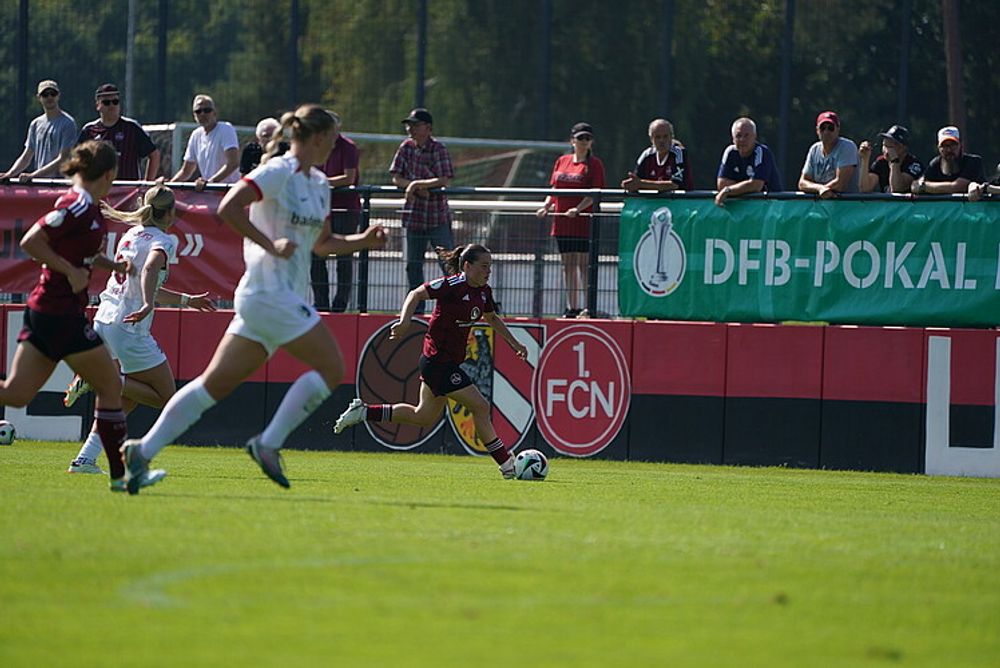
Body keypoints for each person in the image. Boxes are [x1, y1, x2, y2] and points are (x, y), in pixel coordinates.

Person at [119, 105, 387, 494]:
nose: (336, 145)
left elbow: (324, 244)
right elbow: (229, 206)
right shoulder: (277, 171)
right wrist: (269, 245)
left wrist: (364, 240)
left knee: (212, 386)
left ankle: (142, 451)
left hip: (275, 299)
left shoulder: (319, 184)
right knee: (332, 368)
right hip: (268, 293)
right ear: (316, 138)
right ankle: (268, 443)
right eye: (332, 138)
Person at [0, 140, 132, 490]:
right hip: (60, 313)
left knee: (15, 394)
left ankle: (118, 473)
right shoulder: (76, 205)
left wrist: (111, 264)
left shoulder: (87, 207)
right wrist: (68, 272)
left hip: (49, 311)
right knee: (109, 385)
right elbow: (31, 241)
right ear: (107, 174)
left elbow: (78, 254)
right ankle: (120, 474)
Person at [333, 243, 529, 479]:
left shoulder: (484, 291)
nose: (489, 271)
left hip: (446, 363)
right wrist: (405, 321)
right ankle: (507, 465)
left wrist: (515, 343)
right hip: (438, 361)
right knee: (480, 406)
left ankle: (364, 412)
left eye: (490, 267)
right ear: (467, 266)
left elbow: (492, 318)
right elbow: (415, 293)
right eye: (484, 266)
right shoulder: (451, 286)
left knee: (422, 416)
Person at [64, 184, 216, 477]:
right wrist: (147, 302)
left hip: (104, 319)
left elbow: (148, 284)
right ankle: (103, 378)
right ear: (170, 212)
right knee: (165, 398)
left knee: (126, 400)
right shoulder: (164, 240)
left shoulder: (131, 234)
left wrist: (186, 301)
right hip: (129, 327)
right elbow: (149, 270)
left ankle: (84, 459)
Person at [535, 122, 606, 318]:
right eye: (580, 138)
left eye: (587, 139)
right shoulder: (562, 161)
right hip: (562, 223)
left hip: (582, 222)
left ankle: (587, 307)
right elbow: (554, 189)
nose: (583, 142)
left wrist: (578, 208)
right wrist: (546, 206)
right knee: (567, 266)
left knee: (583, 265)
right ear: (572, 140)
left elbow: (594, 193)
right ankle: (572, 307)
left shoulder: (594, 164)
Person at [389, 108, 454, 312]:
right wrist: (415, 186)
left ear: (428, 128)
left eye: (416, 125)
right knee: (412, 266)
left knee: (448, 264)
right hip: (413, 218)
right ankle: (416, 311)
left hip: (437, 218)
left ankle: (453, 306)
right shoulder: (405, 148)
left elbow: (444, 179)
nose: (411, 129)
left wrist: (418, 185)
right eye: (410, 125)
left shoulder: (439, 149)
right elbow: (396, 177)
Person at [313, 111, 361, 312]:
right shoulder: (316, 146)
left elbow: (348, 178)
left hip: (346, 209)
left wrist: (319, 182)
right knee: (315, 256)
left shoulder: (348, 146)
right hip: (321, 208)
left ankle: (340, 304)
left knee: (344, 257)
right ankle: (321, 303)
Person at [78, 83, 160, 181]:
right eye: (106, 102)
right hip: (98, 191)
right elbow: (77, 159)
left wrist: (146, 185)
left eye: (115, 101)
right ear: (98, 105)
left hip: (127, 192)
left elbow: (154, 155)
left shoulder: (132, 128)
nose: (111, 105)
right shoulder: (89, 130)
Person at [0, 79, 77, 182]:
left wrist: (33, 176)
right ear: (39, 98)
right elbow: (27, 156)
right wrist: (10, 174)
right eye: (45, 94)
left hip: (61, 185)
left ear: (58, 96)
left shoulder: (68, 123)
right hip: (40, 186)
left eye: (53, 94)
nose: (49, 97)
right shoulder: (35, 124)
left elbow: (63, 158)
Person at [170, 94, 240, 190]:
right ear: (194, 116)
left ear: (215, 113)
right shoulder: (196, 135)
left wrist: (210, 182)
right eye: (198, 111)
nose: (202, 114)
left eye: (207, 110)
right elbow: (186, 171)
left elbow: (233, 163)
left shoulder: (226, 129)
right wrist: (168, 187)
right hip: (209, 192)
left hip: (228, 190)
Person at [714, 117, 783, 207]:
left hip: (770, 208)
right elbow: (721, 184)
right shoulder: (730, 152)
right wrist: (747, 186)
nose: (742, 139)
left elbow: (756, 185)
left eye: (746, 135)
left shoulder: (762, 152)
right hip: (742, 208)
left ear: (754, 137)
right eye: (738, 136)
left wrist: (729, 190)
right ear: (733, 139)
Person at [620, 118, 693, 192]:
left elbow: (675, 185)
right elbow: (636, 182)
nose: (662, 141)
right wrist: (630, 184)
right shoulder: (646, 155)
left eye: (665, 136)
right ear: (651, 139)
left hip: (679, 202)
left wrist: (642, 184)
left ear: (671, 137)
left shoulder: (678, 153)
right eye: (657, 137)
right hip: (652, 203)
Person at [797, 110, 859, 198]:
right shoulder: (814, 149)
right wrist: (820, 189)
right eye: (822, 128)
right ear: (817, 130)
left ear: (838, 129)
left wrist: (822, 190)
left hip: (848, 207)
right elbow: (802, 183)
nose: (826, 132)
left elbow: (840, 184)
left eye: (831, 128)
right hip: (822, 206)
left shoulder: (847, 147)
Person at [912, 126, 985, 195]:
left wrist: (924, 187)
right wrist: (920, 184)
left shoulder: (973, 162)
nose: (949, 150)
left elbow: (958, 187)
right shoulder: (935, 163)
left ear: (961, 145)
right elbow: (915, 185)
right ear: (939, 148)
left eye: (953, 145)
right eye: (944, 146)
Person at [858, 124, 924, 194]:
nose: (885, 150)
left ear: (903, 147)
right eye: (884, 145)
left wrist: (894, 161)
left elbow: (897, 189)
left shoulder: (914, 164)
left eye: (890, 146)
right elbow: (864, 188)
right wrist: (865, 159)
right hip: (887, 204)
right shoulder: (880, 162)